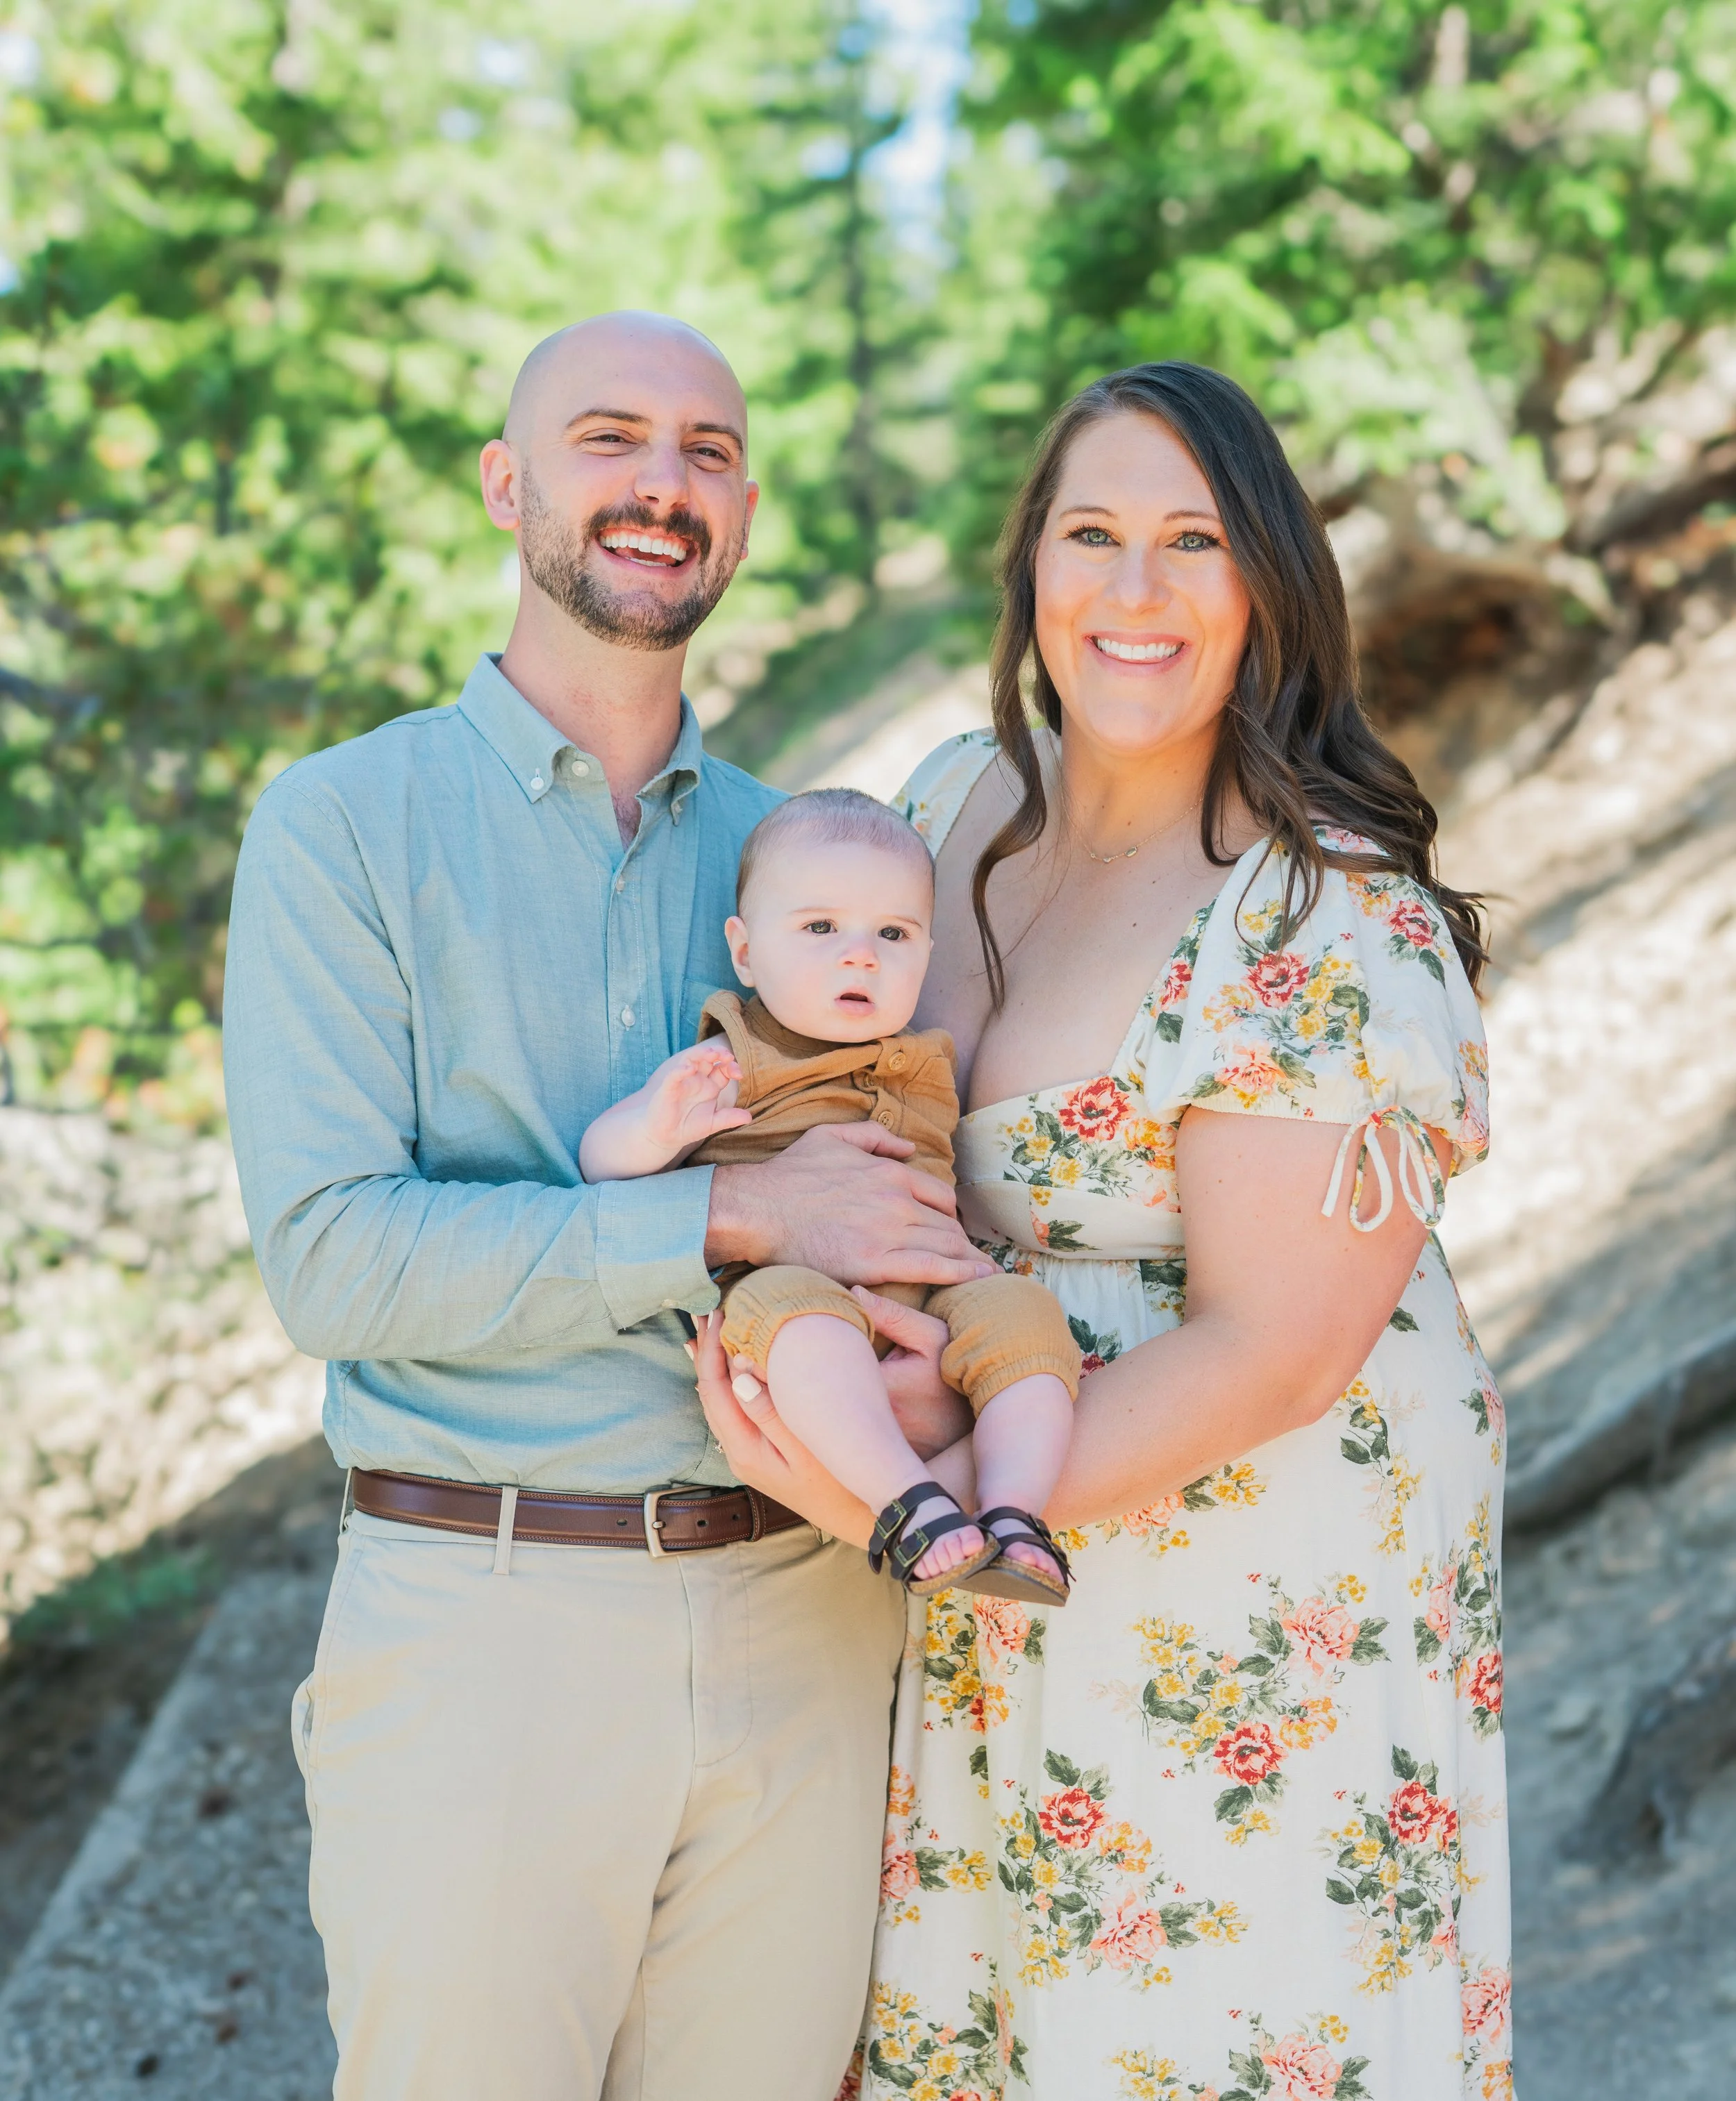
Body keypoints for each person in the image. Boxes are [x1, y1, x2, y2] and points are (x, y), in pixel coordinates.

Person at [694, 361, 1511, 2100]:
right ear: (1030, 569)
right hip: (999, 1568)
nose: (1133, 589)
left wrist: (898, 1499)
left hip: (1238, 1592)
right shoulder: (946, 811)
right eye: (1090, 534)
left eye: (1192, 541)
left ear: (1268, 584)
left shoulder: (1316, 910)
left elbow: (1277, 1350)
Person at [222, 310, 999, 2101]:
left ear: (744, 515)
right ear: (509, 487)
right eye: (609, 439)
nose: (663, 482)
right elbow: (333, 1259)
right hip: (489, 1619)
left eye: (708, 452)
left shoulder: (812, 861)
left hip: (811, 1610)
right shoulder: (345, 825)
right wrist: (727, 1223)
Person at [579, 787, 1080, 1603]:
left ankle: (1016, 1513)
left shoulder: (925, 1056)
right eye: (820, 927)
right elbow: (601, 1164)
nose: (861, 956)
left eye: (893, 933)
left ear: (925, 952)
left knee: (1024, 1313)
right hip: (792, 1292)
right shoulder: (736, 1054)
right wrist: (655, 1126)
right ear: (746, 953)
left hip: (935, 1290)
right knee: (800, 1322)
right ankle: (909, 1503)